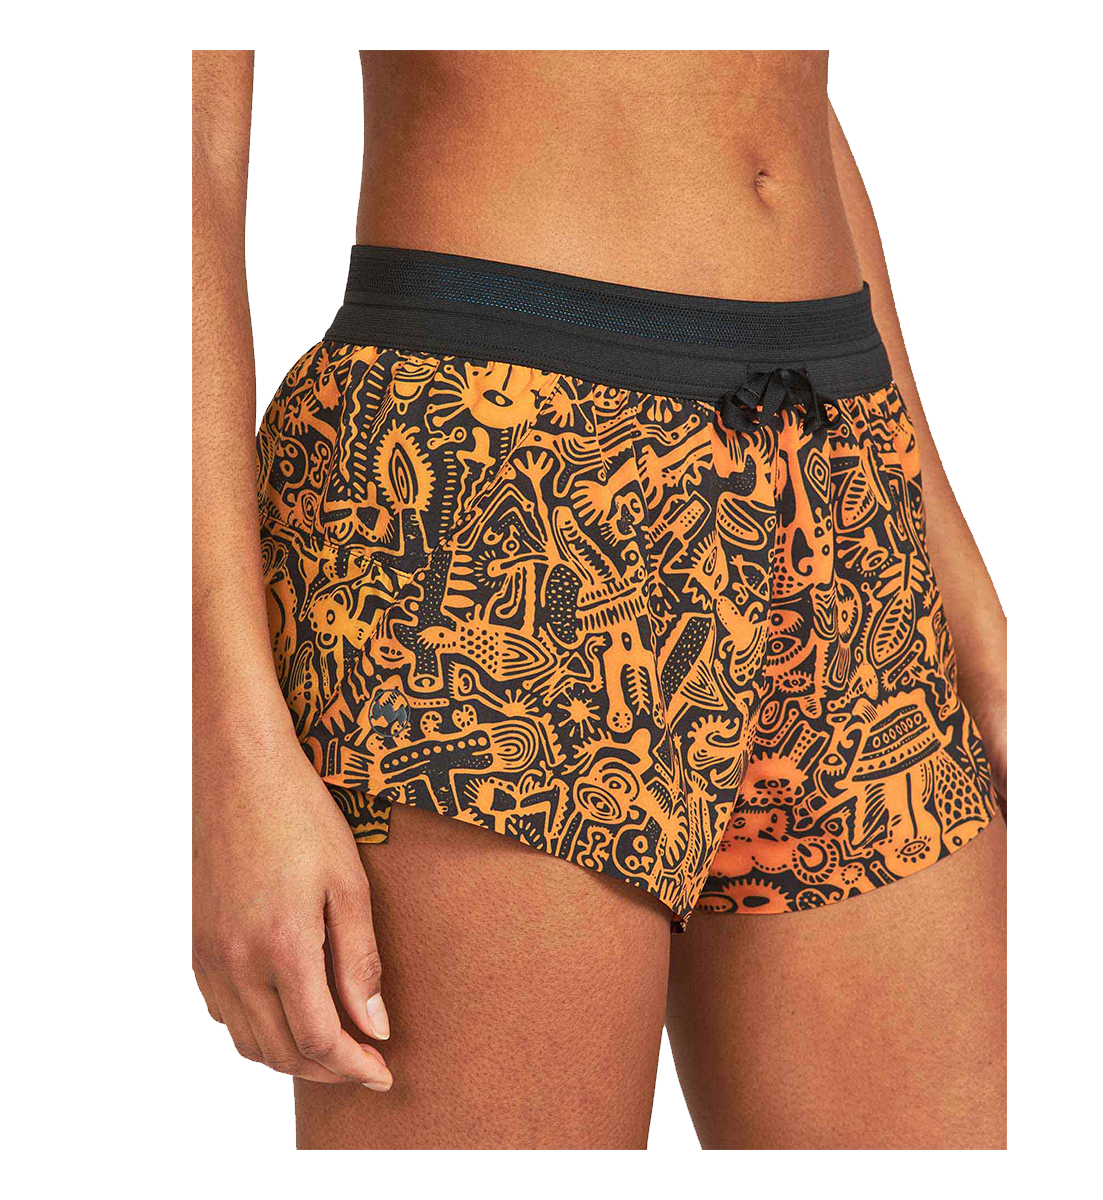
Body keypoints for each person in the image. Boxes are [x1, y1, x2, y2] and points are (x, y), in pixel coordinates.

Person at [193, 50, 1007, 1150]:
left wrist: (970, 614)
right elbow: (181, 154)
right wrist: (226, 757)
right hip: (500, 478)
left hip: (839, 468)